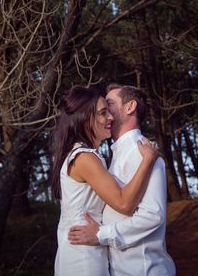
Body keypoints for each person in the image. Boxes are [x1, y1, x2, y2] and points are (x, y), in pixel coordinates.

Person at [68, 84, 176, 275]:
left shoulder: (143, 152)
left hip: (144, 270)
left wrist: (101, 234)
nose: (104, 110)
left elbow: (153, 216)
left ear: (130, 107)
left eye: (109, 103)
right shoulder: (114, 156)